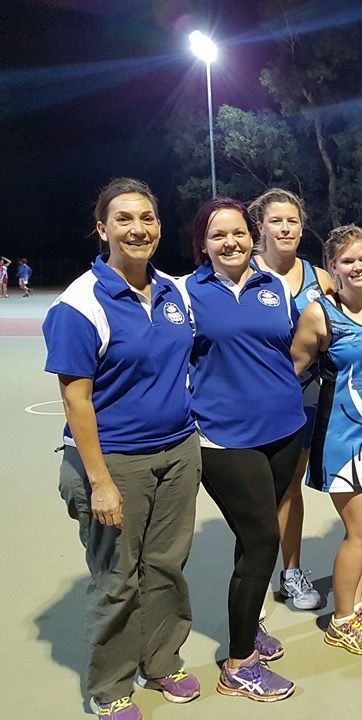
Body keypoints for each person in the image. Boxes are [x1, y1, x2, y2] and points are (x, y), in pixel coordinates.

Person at [43, 178, 201, 720]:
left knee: (166, 567)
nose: (138, 228)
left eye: (148, 218)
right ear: (103, 228)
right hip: (115, 462)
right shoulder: (80, 303)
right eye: (125, 219)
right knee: (116, 579)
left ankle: (161, 661)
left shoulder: (174, 292)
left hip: (177, 452)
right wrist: (100, 480)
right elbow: (75, 399)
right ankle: (110, 687)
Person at [183, 197, 306, 702]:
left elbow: (289, 348)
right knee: (261, 539)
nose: (230, 243)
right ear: (203, 244)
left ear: (251, 236)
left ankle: (248, 624)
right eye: (218, 235)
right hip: (225, 437)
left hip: (284, 427)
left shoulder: (273, 285)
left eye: (238, 233)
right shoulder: (185, 293)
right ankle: (238, 663)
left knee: (249, 533)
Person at [290, 224, 362, 655]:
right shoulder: (319, 313)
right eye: (347, 261)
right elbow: (292, 372)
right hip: (342, 437)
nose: (358, 267)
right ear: (332, 267)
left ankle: (354, 608)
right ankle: (340, 620)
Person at [249, 187, 333, 611]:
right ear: (260, 226)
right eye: (276, 220)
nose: (285, 228)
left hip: (304, 401)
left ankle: (291, 572)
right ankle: (252, 578)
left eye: (293, 221)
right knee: (253, 492)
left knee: (287, 489)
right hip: (250, 403)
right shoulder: (240, 272)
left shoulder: (320, 280)